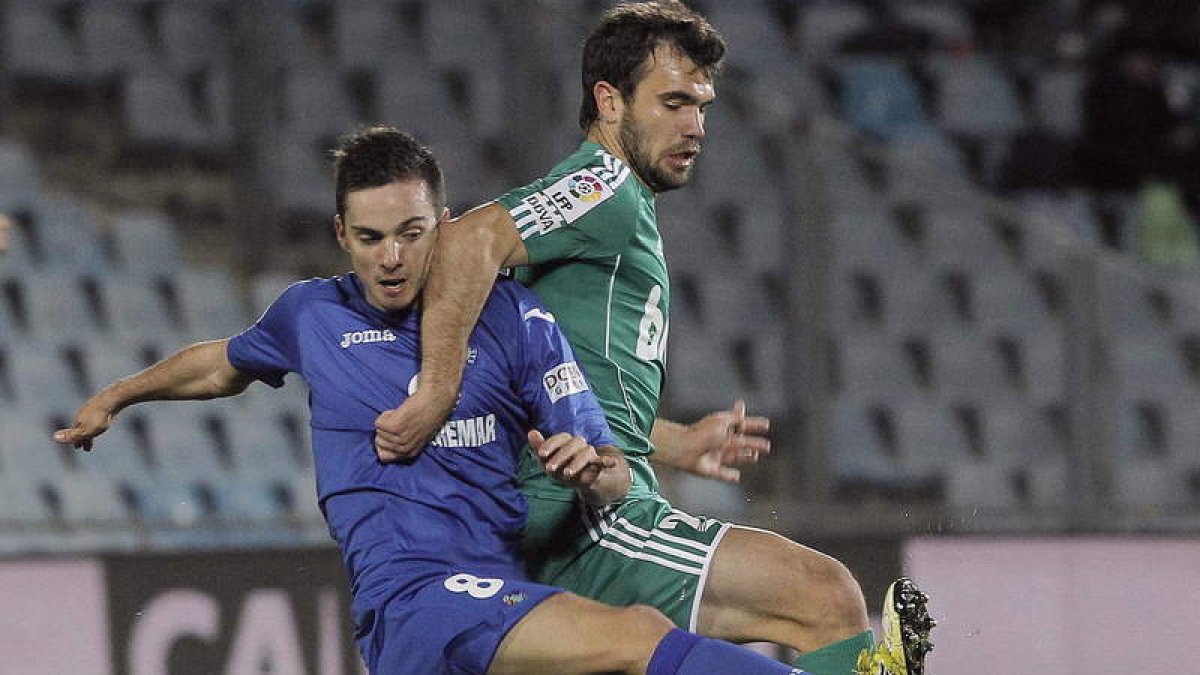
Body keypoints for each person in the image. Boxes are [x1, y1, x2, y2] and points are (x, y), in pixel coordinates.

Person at [53, 126, 807, 675]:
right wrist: (118, 396)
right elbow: (218, 365)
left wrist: (591, 468)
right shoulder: (312, 315)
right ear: (341, 233)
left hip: (505, 597)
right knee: (636, 637)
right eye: (372, 236)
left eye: (412, 234)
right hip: (414, 604)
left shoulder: (512, 317)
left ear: (443, 225)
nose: (392, 257)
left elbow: (609, 465)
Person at [372, 4, 933, 675]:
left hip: (595, 497)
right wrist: (435, 392)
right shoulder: (604, 184)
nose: (694, 126)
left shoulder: (620, 204)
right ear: (609, 101)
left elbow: (556, 376)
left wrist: (671, 440)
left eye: (702, 106)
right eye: (672, 102)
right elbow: (464, 242)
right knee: (821, 594)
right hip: (587, 519)